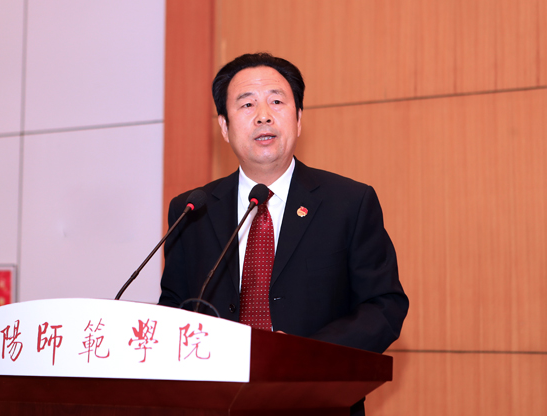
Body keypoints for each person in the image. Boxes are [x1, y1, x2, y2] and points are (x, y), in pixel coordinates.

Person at [159, 53, 408, 415]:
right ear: (224, 126)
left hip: (318, 402)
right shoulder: (192, 209)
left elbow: (384, 306)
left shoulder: (349, 202)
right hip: (214, 404)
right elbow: (174, 308)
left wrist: (306, 354)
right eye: (247, 104)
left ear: (299, 119)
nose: (263, 115)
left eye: (276, 101)